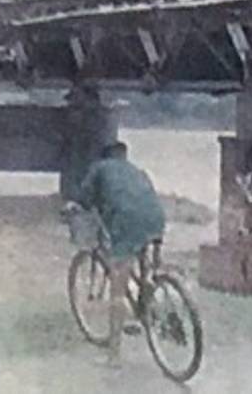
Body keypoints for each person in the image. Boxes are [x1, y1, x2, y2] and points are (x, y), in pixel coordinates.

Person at [73, 142, 166, 368]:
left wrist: (73, 206)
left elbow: (84, 198)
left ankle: (114, 355)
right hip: (156, 218)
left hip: (125, 221)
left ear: (104, 156)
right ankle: (147, 304)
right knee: (143, 260)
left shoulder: (99, 168)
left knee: (117, 290)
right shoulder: (137, 171)